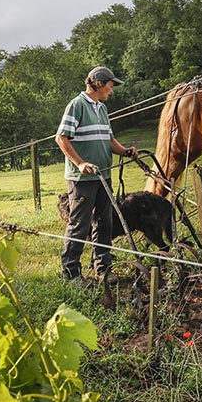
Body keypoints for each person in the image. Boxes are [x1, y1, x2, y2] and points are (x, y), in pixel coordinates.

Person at [56, 66, 136, 282]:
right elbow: (61, 138)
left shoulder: (101, 108)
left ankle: (103, 268)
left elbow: (109, 139)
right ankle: (71, 274)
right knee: (80, 224)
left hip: (103, 175)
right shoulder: (77, 105)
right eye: (111, 85)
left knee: (105, 222)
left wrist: (124, 151)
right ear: (99, 83)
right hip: (82, 178)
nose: (112, 89)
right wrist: (80, 163)